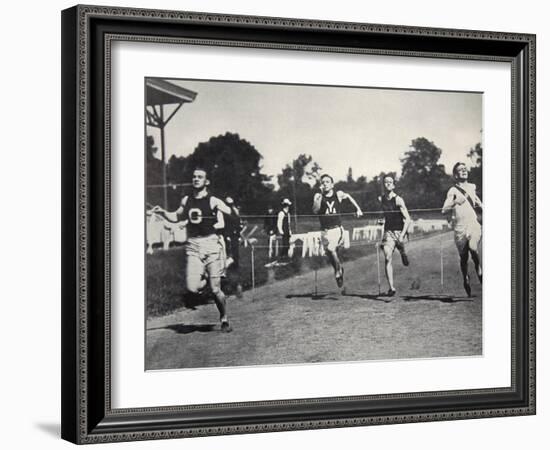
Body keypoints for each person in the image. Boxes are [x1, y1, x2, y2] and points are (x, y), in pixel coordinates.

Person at [153, 168, 234, 332]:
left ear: (207, 181)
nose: (196, 179)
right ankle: (206, 276)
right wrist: (162, 212)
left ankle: (224, 318)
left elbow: (231, 213)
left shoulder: (213, 201)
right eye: (194, 176)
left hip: (211, 244)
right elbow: (176, 216)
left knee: (215, 290)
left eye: (200, 177)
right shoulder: (186, 199)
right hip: (193, 246)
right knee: (192, 288)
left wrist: (227, 211)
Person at [313, 174, 363, 289]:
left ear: (332, 184)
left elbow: (349, 196)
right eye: (323, 182)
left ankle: (338, 271)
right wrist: (319, 198)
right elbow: (315, 210)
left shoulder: (338, 194)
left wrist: (358, 208)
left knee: (331, 249)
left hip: (336, 229)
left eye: (327, 182)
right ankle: (339, 269)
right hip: (324, 231)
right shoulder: (318, 195)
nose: (325, 184)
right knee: (330, 255)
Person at [442, 162, 483, 297]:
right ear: (455, 175)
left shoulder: (472, 187)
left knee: (473, 247)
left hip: (472, 224)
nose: (464, 171)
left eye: (465, 169)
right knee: (463, 258)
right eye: (460, 170)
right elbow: (444, 210)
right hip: (459, 227)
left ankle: (479, 269)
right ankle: (465, 278)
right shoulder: (452, 191)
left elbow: (478, 202)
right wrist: (454, 202)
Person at [378, 175, 411, 297]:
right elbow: (383, 215)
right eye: (385, 182)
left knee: (400, 246)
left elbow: (408, 219)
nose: (387, 184)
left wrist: (402, 235)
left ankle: (402, 251)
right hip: (388, 232)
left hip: (399, 231)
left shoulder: (398, 200)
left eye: (390, 182)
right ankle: (391, 287)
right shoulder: (381, 199)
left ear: (394, 185)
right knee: (387, 257)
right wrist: (380, 220)